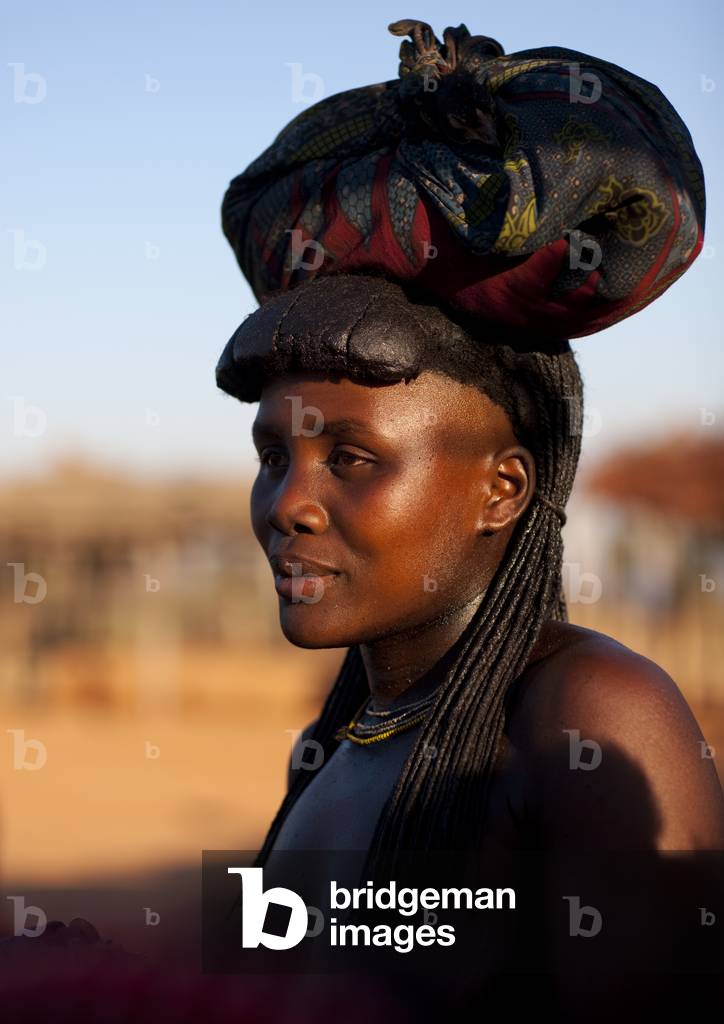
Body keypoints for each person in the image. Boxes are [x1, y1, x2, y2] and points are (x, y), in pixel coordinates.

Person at [215, 18, 724, 1019]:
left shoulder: (587, 718)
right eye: (272, 455)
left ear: (503, 489)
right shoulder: (337, 737)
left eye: (351, 458)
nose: (288, 505)